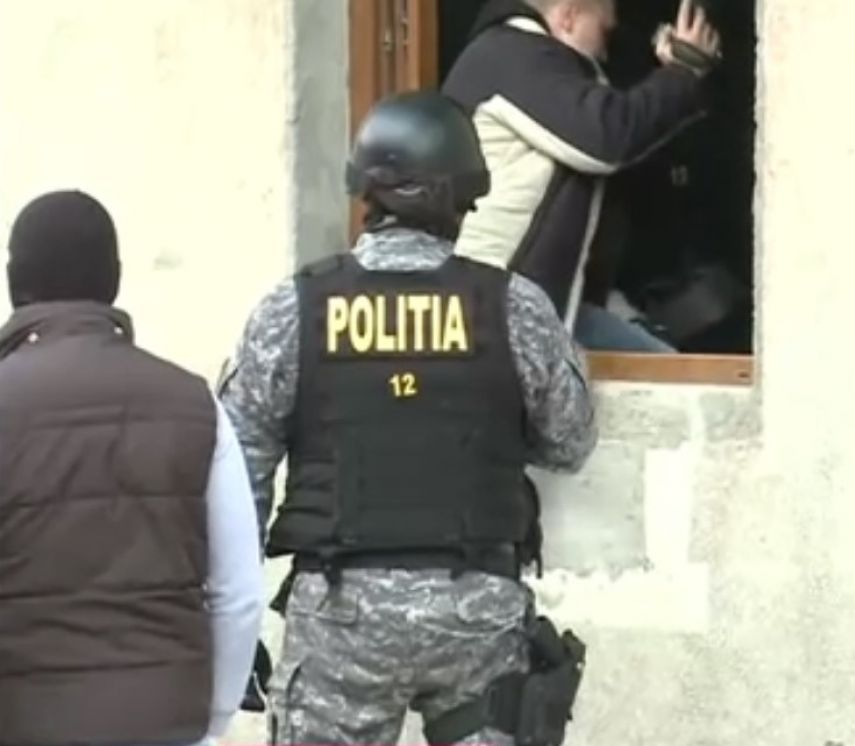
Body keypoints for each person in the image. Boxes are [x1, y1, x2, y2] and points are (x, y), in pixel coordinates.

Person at [217, 90, 597, 746]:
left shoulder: (295, 308)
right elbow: (569, 443)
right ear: (460, 199)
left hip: (340, 618)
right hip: (476, 614)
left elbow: (237, 468)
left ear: (366, 193)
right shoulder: (513, 308)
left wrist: (234, 621)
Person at [0, 190, 264, 746]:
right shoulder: (194, 404)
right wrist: (213, 717)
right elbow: (238, 592)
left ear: (13, 282)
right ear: (115, 279)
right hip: (166, 724)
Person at [441, 0, 723, 353]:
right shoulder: (511, 55)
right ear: (569, 17)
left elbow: (624, 135)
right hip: (495, 317)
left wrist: (673, 75)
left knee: (668, 369)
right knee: (671, 375)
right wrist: (682, 73)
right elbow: (608, 138)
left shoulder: (529, 63)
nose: (605, 52)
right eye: (604, 32)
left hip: (536, 307)